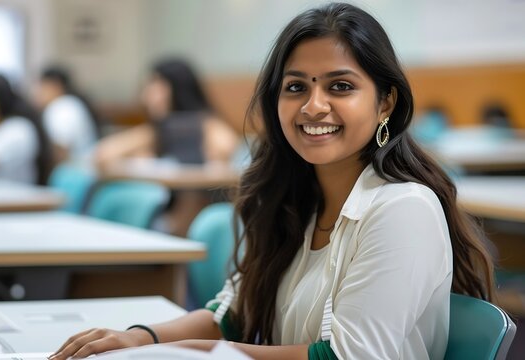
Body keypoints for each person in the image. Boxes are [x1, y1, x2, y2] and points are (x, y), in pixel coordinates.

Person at [50, 3, 495, 359]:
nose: (313, 106)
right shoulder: (294, 200)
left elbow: (343, 357)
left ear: (385, 103)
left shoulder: (403, 209)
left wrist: (192, 352)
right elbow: (231, 317)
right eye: (296, 87)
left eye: (340, 87)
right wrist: (139, 338)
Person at [94, 58, 238, 167]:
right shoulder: (155, 131)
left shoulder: (209, 125)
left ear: (177, 89)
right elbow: (104, 153)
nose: (145, 96)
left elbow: (223, 150)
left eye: (154, 87)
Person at [37, 66, 100, 163]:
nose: (37, 93)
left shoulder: (61, 108)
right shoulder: (72, 103)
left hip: (74, 171)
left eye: (41, 87)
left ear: (55, 86)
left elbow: (61, 151)